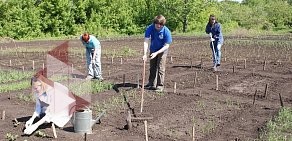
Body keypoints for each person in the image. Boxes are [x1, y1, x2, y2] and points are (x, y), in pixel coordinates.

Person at [143, 15, 172, 92]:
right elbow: (146, 40)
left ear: (163, 24)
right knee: (152, 66)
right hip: (153, 49)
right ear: (154, 23)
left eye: (161, 24)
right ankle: (151, 83)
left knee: (160, 67)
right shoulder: (150, 28)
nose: (158, 26)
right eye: (157, 24)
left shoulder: (166, 32)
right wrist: (145, 53)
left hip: (162, 50)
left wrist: (157, 53)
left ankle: (160, 85)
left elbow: (166, 46)